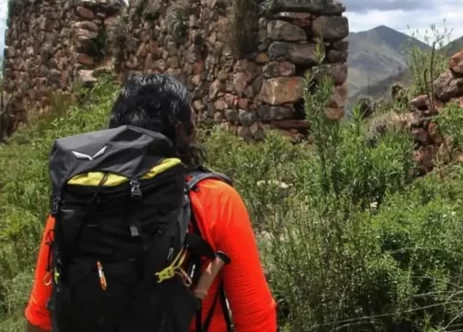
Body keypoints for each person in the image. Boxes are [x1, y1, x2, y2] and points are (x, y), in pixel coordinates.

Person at [23, 74, 278, 332]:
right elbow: (256, 320)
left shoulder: (78, 200)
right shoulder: (215, 199)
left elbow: (40, 320)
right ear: (183, 132)